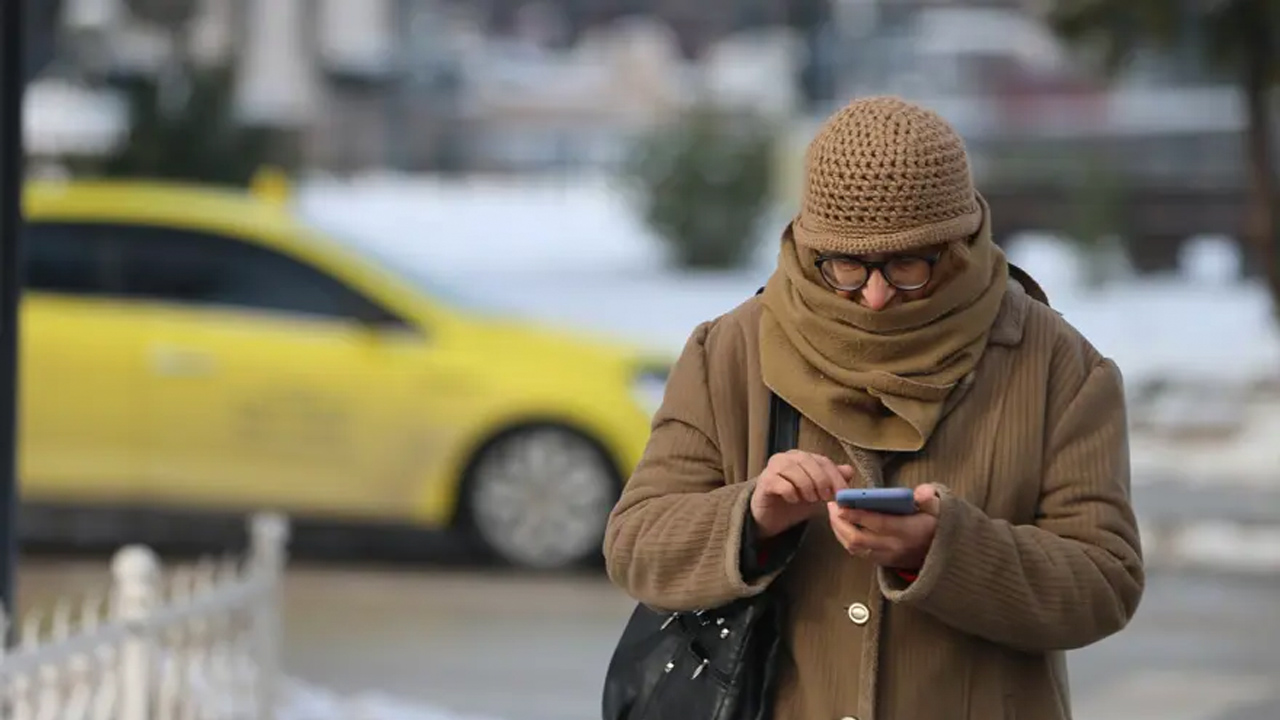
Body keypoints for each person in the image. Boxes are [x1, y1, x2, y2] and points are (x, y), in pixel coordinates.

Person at [602, 96, 1144, 720]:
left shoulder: (1060, 367)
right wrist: (752, 518)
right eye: (846, 268)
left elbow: (1106, 581)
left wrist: (945, 550)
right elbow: (635, 544)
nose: (877, 297)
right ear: (811, 250)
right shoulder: (728, 351)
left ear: (961, 243)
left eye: (908, 264)